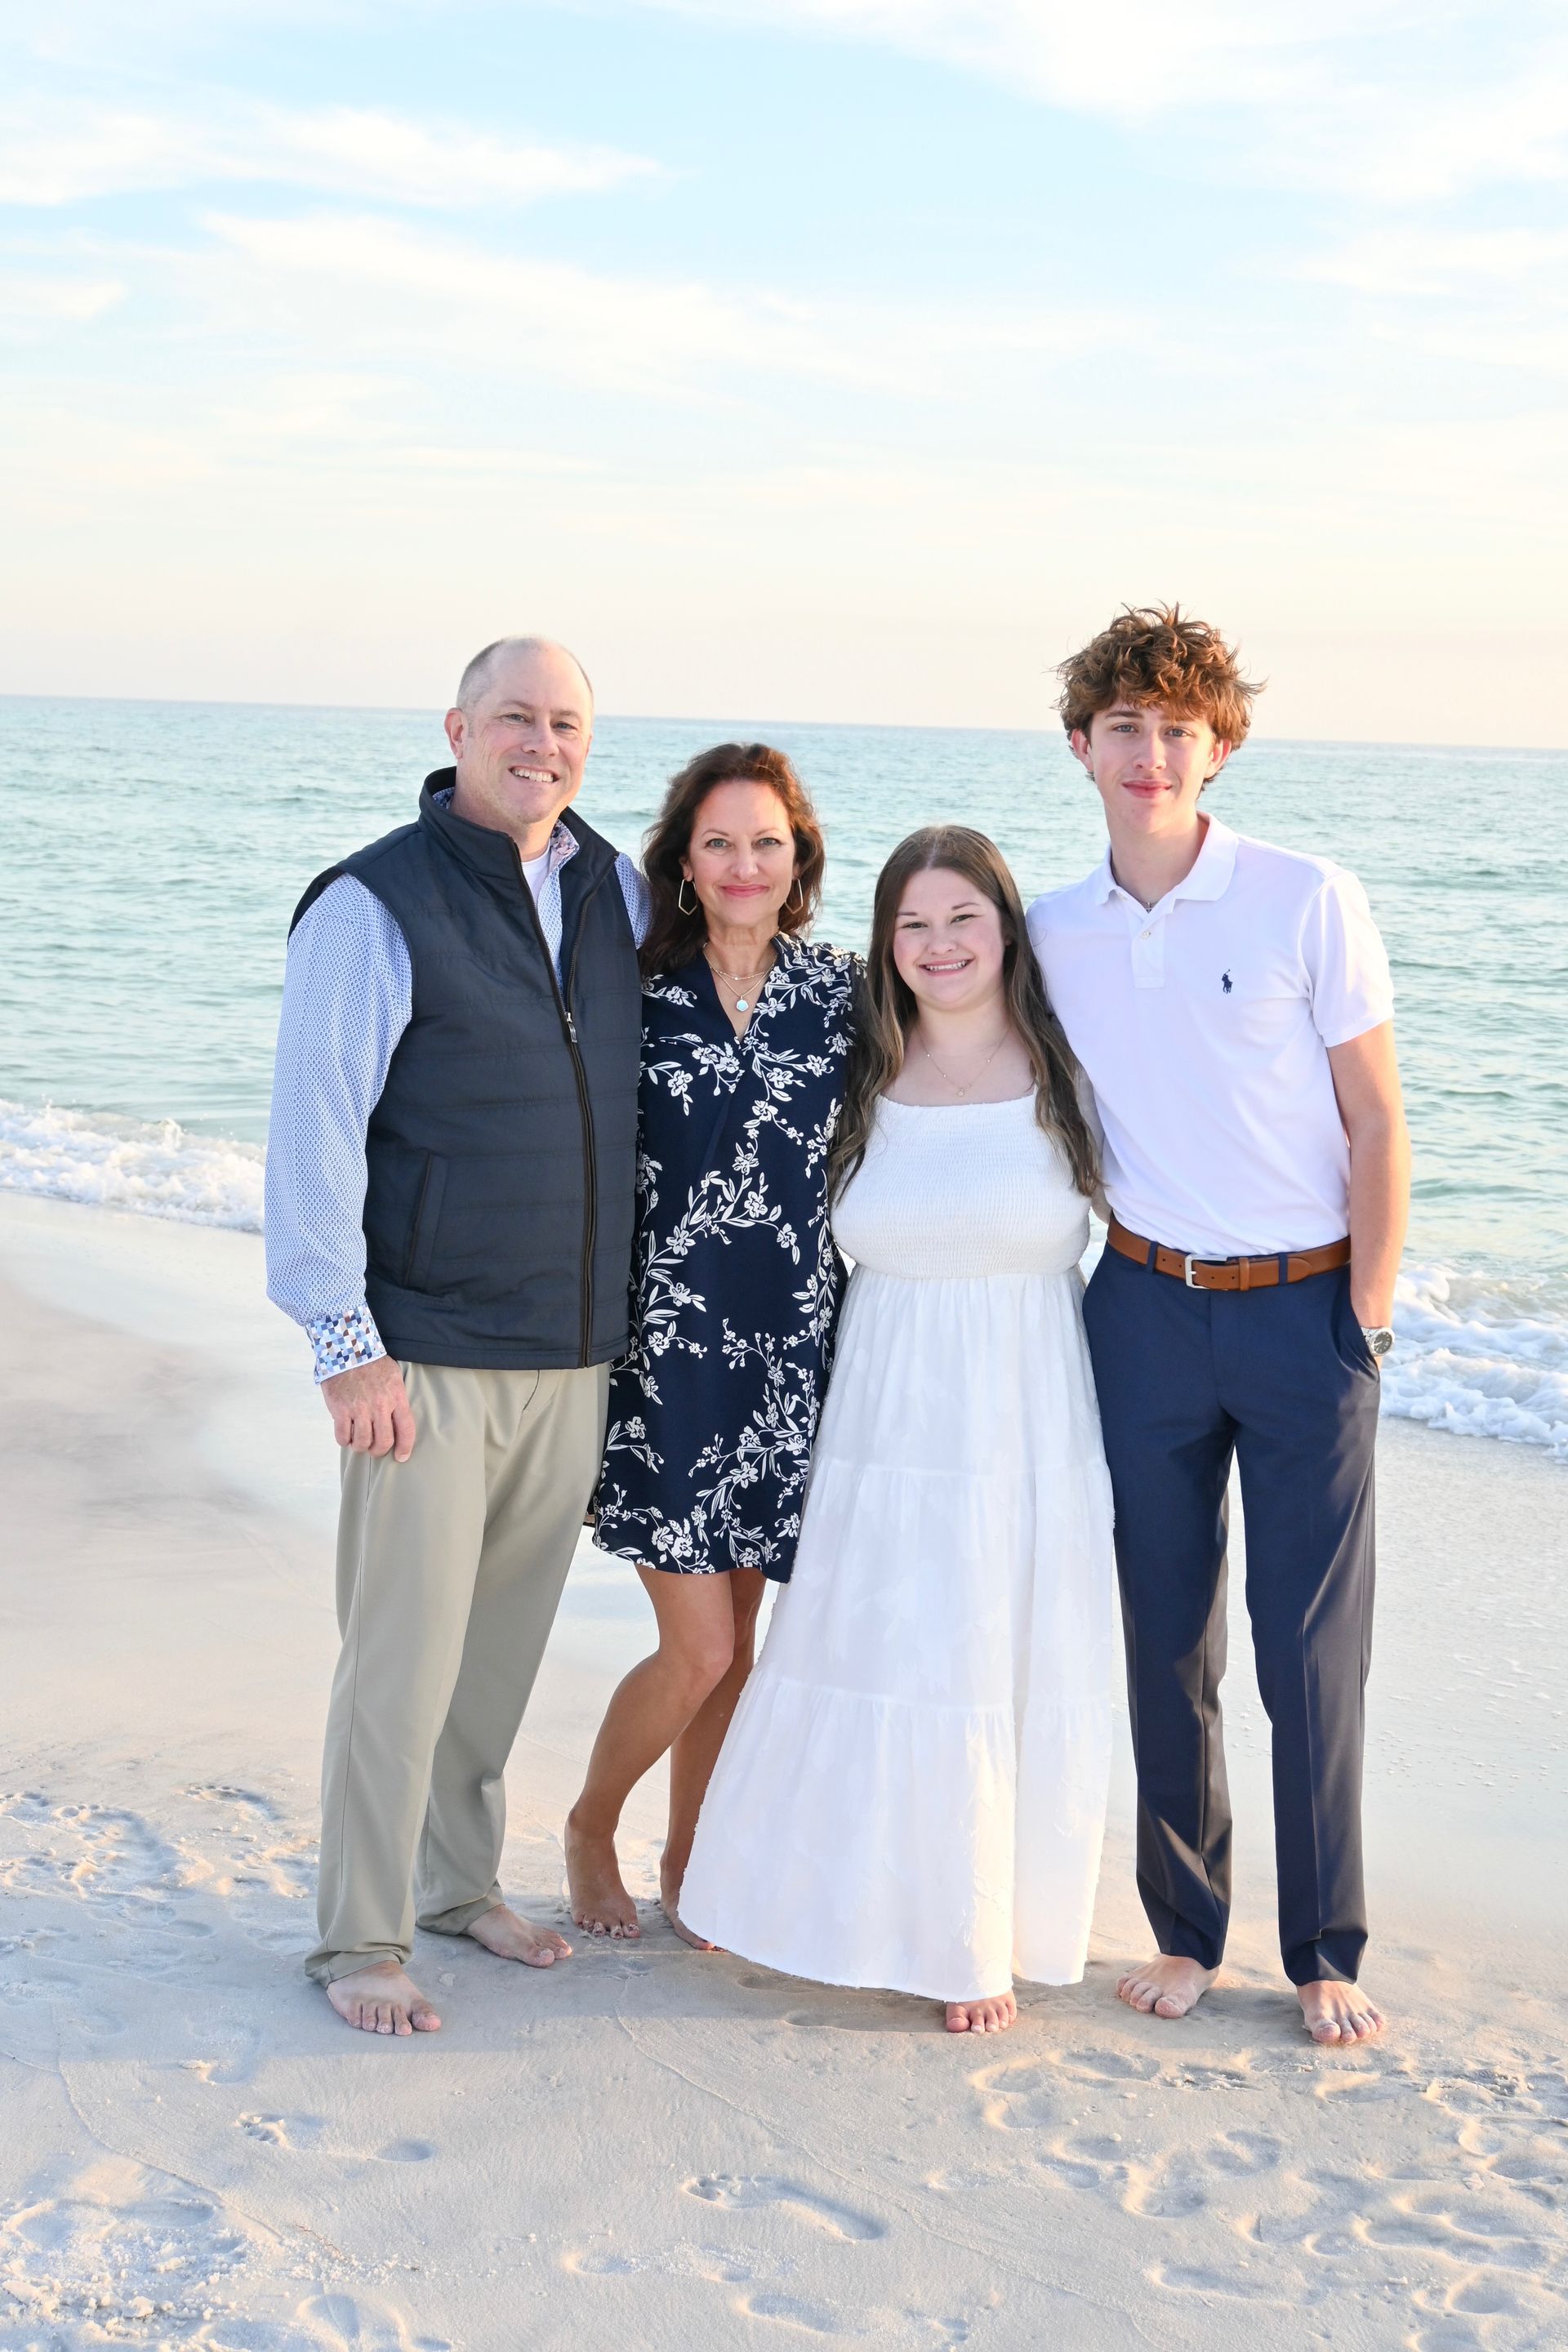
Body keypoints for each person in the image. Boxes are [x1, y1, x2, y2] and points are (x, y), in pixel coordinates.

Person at [1027, 604, 1410, 2047]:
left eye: (1178, 728)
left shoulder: (1307, 896)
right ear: (1082, 747)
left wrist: (1362, 1321)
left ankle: (1321, 1949)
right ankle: (1186, 1934)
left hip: (1304, 1312)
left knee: (1310, 1653)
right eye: (1123, 727)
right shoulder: (1052, 930)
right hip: (1136, 1307)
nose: (1150, 752)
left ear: (1220, 746)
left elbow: (1378, 1123)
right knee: (1165, 1640)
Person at [264, 635, 647, 2037]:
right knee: (400, 1659)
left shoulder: (618, 886)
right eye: (512, 718)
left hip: (571, 1348)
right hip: (421, 1354)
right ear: (457, 728)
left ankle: (454, 1885)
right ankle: (361, 1937)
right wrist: (340, 1338)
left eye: (564, 725)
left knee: (495, 1658)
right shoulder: (374, 903)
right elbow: (313, 1130)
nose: (539, 744)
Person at [678, 826, 1116, 2034]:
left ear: (1007, 929)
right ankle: (769, 1890)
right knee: (867, 1655)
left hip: (1020, 1414)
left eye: (962, 919)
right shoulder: (857, 1070)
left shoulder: (1070, 1070)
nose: (938, 946)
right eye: (912, 925)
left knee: (981, 1665)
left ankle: (971, 1938)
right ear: (886, 945)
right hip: (880, 1414)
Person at [565, 744, 856, 1943]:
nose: (745, 864)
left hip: (793, 1357)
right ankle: (592, 1825)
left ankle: (694, 1860)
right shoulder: (636, 989)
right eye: (721, 842)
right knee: (698, 1647)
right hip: (667, 1358)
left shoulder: (842, 993)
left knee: (743, 1652)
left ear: (800, 861)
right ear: (684, 861)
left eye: (767, 843)